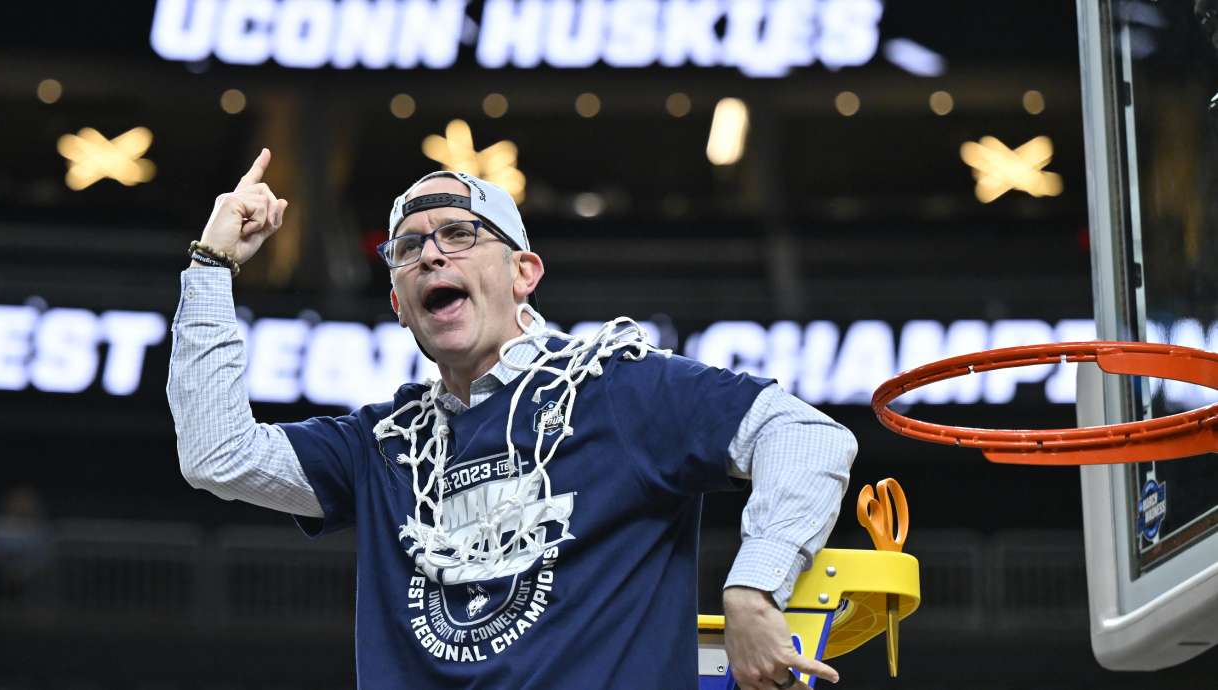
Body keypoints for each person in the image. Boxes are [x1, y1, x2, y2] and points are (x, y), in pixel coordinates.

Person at [168, 149, 857, 690]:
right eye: (407, 249)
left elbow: (804, 436)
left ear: (525, 272)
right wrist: (211, 266)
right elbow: (217, 455)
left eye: (458, 235)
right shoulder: (382, 449)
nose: (431, 254)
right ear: (399, 305)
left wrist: (754, 589)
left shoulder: (617, 388)